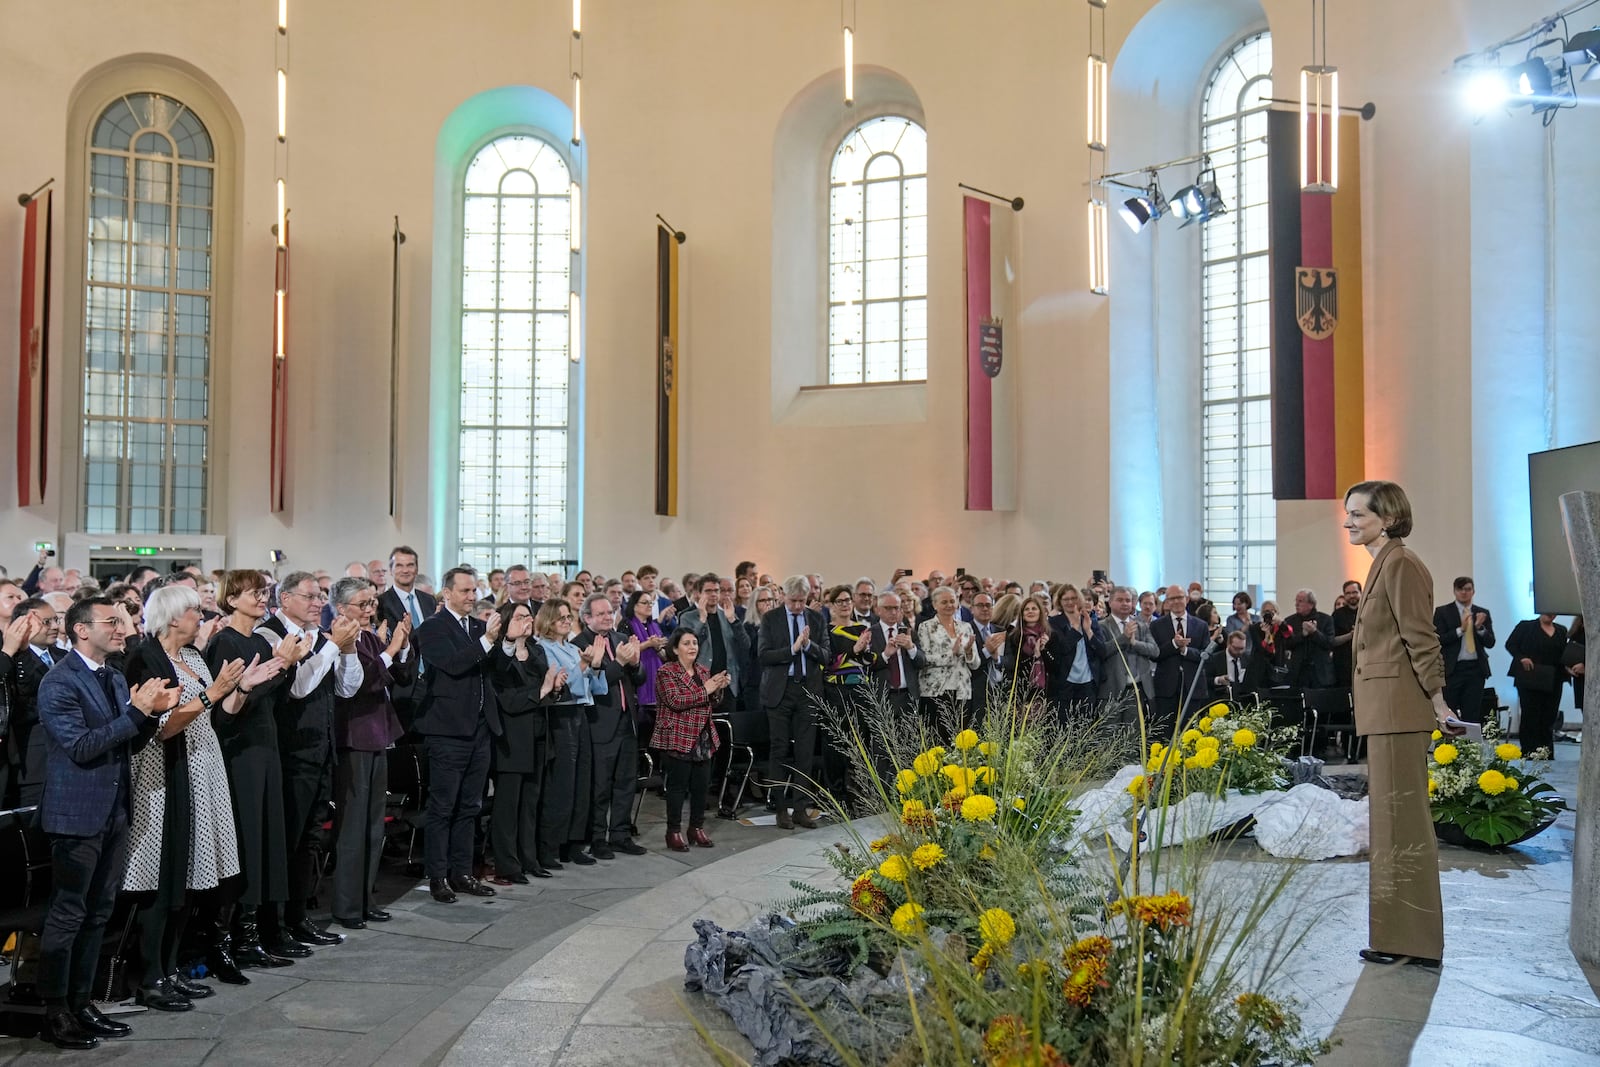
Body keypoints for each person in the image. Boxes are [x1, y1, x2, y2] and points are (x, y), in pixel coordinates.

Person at [123, 585, 279, 1002]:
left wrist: (241, 687)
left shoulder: (192, 657)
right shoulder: (145, 658)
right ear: (173, 618)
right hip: (167, 773)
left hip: (204, 765)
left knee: (193, 872)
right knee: (165, 873)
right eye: (194, 610)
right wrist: (214, 692)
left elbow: (221, 718)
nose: (203, 616)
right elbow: (162, 726)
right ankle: (151, 975)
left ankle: (172, 969)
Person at [35, 597, 176, 1049]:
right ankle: (55, 1010)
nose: (122, 629)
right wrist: (138, 714)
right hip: (76, 813)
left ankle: (83, 1001)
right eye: (111, 622)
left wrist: (150, 716)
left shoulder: (114, 677)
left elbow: (125, 746)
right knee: (69, 913)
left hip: (115, 809)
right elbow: (80, 747)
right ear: (80, 630)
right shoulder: (58, 681)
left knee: (98, 913)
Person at [1344, 479, 1459, 968]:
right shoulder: (1382, 563)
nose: (1349, 522)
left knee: (1403, 827)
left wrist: (1440, 704)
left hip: (1399, 711)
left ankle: (1411, 941)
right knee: (1391, 828)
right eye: (1348, 514)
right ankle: (1398, 937)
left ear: (1387, 518)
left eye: (1359, 514)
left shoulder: (1402, 564)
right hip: (1385, 709)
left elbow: (1421, 638)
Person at [206, 569, 315, 967]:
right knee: (247, 841)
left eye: (264, 590)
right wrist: (280, 668)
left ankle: (260, 931)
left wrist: (286, 666)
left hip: (267, 746)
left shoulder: (257, 640)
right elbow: (229, 709)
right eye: (254, 591)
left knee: (268, 839)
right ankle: (234, 938)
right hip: (240, 752)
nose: (261, 596)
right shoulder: (225, 641)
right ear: (231, 598)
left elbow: (275, 698)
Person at [256, 571, 358, 947]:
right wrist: (333, 646)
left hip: (320, 750)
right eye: (311, 596)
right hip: (289, 753)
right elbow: (298, 687)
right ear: (284, 599)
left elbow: (347, 688)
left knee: (310, 841)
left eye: (321, 597)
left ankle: (299, 918)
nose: (319, 603)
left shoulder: (320, 636)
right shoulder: (269, 634)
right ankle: (274, 925)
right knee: (287, 840)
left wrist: (345, 649)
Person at [412, 567, 503, 902]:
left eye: (474, 591)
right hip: (447, 730)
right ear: (446, 593)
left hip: (480, 728)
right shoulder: (432, 628)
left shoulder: (480, 628)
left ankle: (463, 872)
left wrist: (506, 645)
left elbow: (494, 672)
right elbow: (451, 665)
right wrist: (488, 642)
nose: (471, 596)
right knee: (443, 807)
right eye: (465, 591)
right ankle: (438, 876)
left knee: (471, 806)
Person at [328, 578, 412, 928]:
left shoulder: (368, 636)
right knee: (352, 829)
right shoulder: (339, 638)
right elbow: (361, 683)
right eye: (362, 604)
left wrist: (400, 646)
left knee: (373, 827)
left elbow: (399, 676)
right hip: (354, 737)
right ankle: (347, 905)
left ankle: (366, 897)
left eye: (371, 603)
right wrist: (390, 650)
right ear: (342, 607)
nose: (369, 609)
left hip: (378, 735)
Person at [534, 598, 609, 867]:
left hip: (580, 716)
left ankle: (574, 843)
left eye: (569, 616)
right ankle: (550, 845)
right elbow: (564, 688)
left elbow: (597, 689)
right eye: (561, 617)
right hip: (560, 716)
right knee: (561, 785)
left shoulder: (573, 648)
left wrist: (596, 665)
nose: (567, 621)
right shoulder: (544, 648)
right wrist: (584, 666)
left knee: (581, 783)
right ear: (548, 621)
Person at [486, 600, 556, 883]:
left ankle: (529, 858)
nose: (526, 620)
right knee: (508, 806)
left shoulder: (537, 651)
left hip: (539, 733)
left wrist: (553, 688)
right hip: (512, 738)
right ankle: (507, 864)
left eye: (529, 615)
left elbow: (546, 689)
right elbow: (508, 700)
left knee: (531, 802)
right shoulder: (499, 655)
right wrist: (542, 690)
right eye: (519, 616)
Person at [574, 594, 647, 859]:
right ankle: (597, 838)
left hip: (627, 722)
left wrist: (636, 662)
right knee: (600, 785)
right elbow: (598, 685)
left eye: (610, 612)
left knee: (626, 782)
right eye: (601, 613)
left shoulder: (620, 639)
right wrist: (619, 663)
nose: (608, 617)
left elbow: (638, 679)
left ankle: (620, 834)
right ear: (587, 618)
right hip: (599, 723)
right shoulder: (578, 644)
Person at [756, 576, 829, 830]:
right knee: (779, 750)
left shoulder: (817, 619)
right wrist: (793, 649)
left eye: (802, 601)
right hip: (780, 691)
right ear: (783, 597)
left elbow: (827, 656)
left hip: (808, 691)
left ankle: (800, 808)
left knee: (805, 752)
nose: (798, 606)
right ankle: (780, 809)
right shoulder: (770, 618)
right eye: (794, 601)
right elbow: (763, 655)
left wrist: (809, 646)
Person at [651, 629, 730, 851]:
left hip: (703, 737)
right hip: (678, 735)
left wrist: (718, 688)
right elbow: (676, 701)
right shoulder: (666, 672)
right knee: (677, 788)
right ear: (675, 649)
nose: (692, 647)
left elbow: (711, 702)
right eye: (686, 643)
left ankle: (696, 828)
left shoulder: (703, 671)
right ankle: (673, 831)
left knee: (701, 787)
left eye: (695, 642)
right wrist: (707, 689)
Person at [1505, 613, 1569, 756]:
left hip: (1553, 679)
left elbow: (1563, 654)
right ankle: (1529, 750)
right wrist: (1522, 658)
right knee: (1530, 715)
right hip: (1530, 678)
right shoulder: (1525, 626)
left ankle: (1546, 751)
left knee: (1549, 717)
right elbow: (1511, 644)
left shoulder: (1561, 630)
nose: (1550, 615)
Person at [917, 586, 981, 727]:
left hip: (962, 690)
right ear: (935, 604)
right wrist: (951, 653)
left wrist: (969, 652)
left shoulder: (966, 627)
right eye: (944, 602)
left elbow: (976, 664)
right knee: (938, 740)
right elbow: (924, 659)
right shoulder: (925, 627)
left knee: (961, 740)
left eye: (952, 601)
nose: (949, 605)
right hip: (935, 690)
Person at [1433, 577, 1494, 723]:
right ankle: (1450, 745)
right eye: (1460, 589)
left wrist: (1479, 628)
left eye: (1468, 589)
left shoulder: (1482, 613)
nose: (1464, 593)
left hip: (1476, 669)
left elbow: (1490, 642)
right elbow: (1438, 639)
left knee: (1472, 713)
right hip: (1453, 669)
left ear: (1473, 591)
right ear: (1454, 591)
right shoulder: (1443, 612)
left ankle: (1470, 745)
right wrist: (1461, 629)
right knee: (1450, 711)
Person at [1151, 585, 1208, 732]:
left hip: (1192, 686)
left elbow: (1207, 655)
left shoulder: (1201, 625)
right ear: (1167, 602)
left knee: (1190, 733)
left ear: (1187, 599)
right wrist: (1173, 644)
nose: (1176, 601)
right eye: (1172, 598)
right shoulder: (1156, 625)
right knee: (1165, 733)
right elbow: (1154, 654)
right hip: (1166, 688)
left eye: (1179, 597)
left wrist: (1185, 650)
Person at [1097, 585, 1158, 715]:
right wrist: (1124, 638)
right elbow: (1101, 652)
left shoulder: (1141, 626)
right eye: (1120, 600)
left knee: (1134, 734)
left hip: (1137, 689)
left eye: (1128, 600)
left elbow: (1155, 651)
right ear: (1110, 602)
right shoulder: (1101, 626)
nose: (1125, 603)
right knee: (1109, 732)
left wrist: (1135, 643)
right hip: (1111, 690)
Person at [1048, 584, 1105, 718]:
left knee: (1084, 727)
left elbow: (1102, 651)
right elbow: (1062, 649)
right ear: (1060, 601)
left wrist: (1088, 631)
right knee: (1064, 727)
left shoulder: (1089, 620)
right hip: (1065, 682)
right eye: (1066, 599)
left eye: (1073, 598)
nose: (1070, 602)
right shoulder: (1054, 623)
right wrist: (1075, 629)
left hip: (1088, 682)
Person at [1002, 595, 1057, 707]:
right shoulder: (1015, 635)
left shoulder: (1050, 634)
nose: (1030, 611)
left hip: (1045, 691)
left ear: (1040, 612)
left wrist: (1043, 650)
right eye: (1026, 609)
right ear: (1021, 614)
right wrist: (1034, 656)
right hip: (1021, 689)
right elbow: (1014, 665)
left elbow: (1054, 666)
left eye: (1034, 608)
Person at [1283, 589, 1336, 690]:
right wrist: (1302, 635)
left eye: (1300, 601)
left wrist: (1315, 632)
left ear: (1311, 604)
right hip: (1298, 673)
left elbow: (1329, 643)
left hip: (1320, 673)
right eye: (1296, 601)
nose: (1296, 604)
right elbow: (1287, 644)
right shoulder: (1290, 621)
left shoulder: (1326, 619)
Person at [1331, 580, 1361, 687]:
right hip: (1344, 664)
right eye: (1348, 593)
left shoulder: (1367, 611)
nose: (1352, 595)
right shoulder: (1337, 615)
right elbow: (1332, 640)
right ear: (1344, 595)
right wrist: (1351, 635)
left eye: (1354, 592)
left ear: (1360, 593)